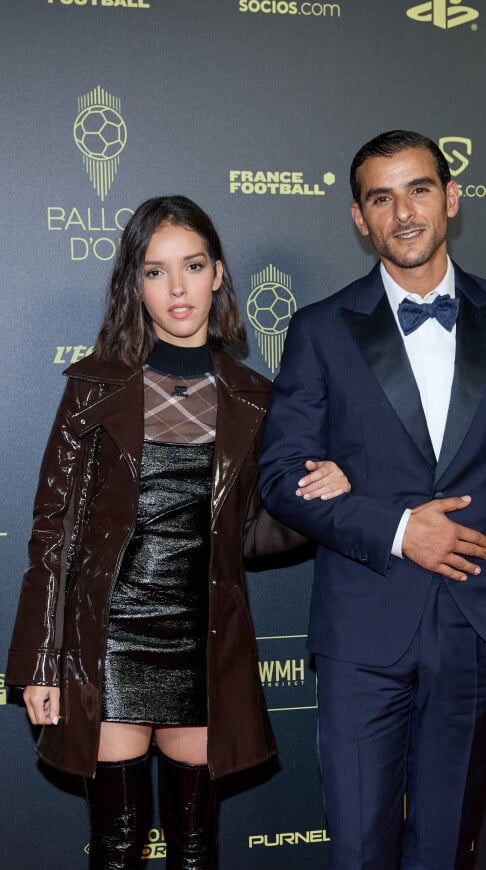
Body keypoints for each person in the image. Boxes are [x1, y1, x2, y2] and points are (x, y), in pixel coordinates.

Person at [258, 130, 486, 869]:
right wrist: (399, 528)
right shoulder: (318, 330)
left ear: (452, 198)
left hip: (480, 623)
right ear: (358, 218)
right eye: (381, 197)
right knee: (359, 851)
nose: (403, 213)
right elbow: (280, 479)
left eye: (419, 189)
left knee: (443, 850)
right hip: (363, 629)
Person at [5, 195, 351, 869]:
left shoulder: (257, 398)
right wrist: (38, 661)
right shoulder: (92, 387)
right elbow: (55, 532)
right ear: (135, 284)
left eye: (192, 266)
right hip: (108, 637)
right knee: (115, 847)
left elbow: (256, 533)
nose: (177, 288)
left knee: (195, 848)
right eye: (156, 271)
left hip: (202, 637)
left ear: (218, 273)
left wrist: (322, 496)